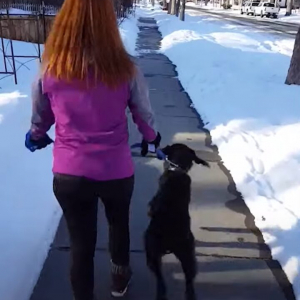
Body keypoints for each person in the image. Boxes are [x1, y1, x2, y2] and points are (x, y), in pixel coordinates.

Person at [24, 0, 161, 299]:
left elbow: (41, 115)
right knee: (119, 225)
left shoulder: (51, 68)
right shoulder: (125, 68)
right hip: (116, 171)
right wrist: (151, 136)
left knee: (80, 242)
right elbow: (142, 111)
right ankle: (119, 279)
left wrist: (35, 135)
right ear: (109, 23)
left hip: (70, 172)